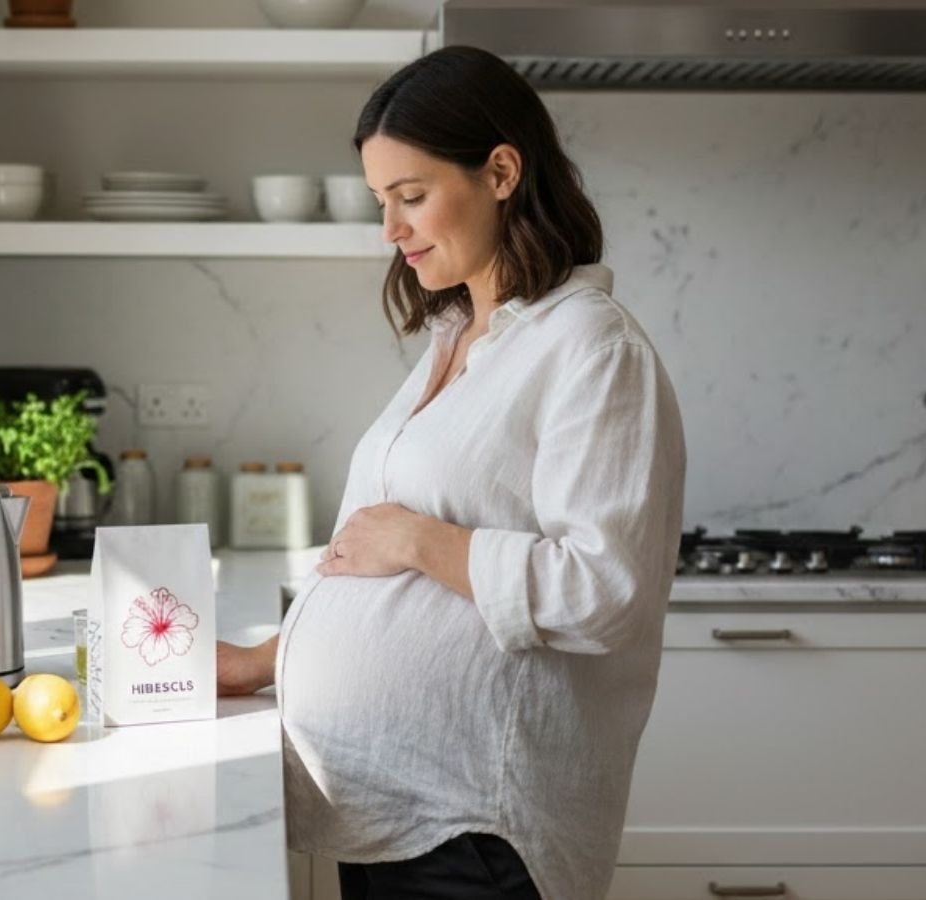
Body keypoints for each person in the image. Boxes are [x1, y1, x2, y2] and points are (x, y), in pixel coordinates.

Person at [216, 45, 687, 900]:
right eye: (380, 202)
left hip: (480, 830)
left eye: (412, 196)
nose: (390, 230)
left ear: (502, 171)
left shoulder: (590, 346)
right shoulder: (457, 341)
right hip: (397, 813)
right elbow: (394, 593)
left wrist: (421, 540)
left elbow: (606, 590)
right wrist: (263, 661)